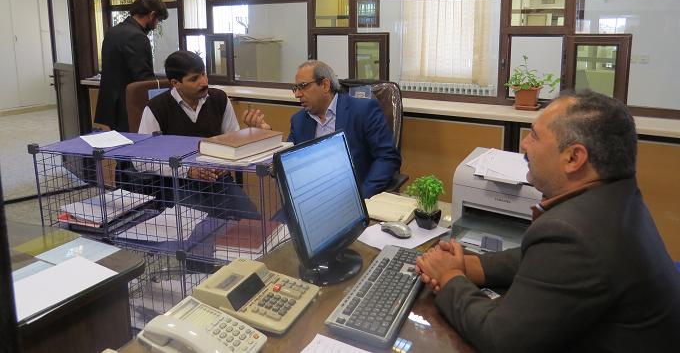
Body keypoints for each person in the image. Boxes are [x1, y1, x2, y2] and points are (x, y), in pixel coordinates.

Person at [416, 90, 680, 353]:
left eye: (534, 136)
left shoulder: (573, 233)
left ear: (573, 158)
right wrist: (469, 266)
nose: (524, 144)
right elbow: (540, 259)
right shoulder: (617, 197)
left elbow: (501, 339)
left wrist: (449, 277)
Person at [244, 60, 400, 198]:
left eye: (303, 86)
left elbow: (387, 158)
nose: (297, 94)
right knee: (272, 223)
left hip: (353, 195)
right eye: (295, 88)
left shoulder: (363, 110)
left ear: (325, 85)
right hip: (313, 200)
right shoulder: (299, 121)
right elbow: (289, 164)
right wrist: (269, 138)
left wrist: (362, 197)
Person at [136, 49, 259, 219]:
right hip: (178, 184)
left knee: (252, 222)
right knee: (201, 227)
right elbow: (140, 161)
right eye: (194, 79)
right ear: (175, 83)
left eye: (203, 74)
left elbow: (233, 141)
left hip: (217, 180)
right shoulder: (156, 108)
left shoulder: (219, 99)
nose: (204, 82)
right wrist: (187, 171)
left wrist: (225, 165)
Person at [94, 0, 168, 132]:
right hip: (128, 108)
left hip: (110, 108)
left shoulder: (113, 32)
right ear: (151, 15)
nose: (156, 25)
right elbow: (143, 80)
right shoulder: (137, 37)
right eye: (158, 20)